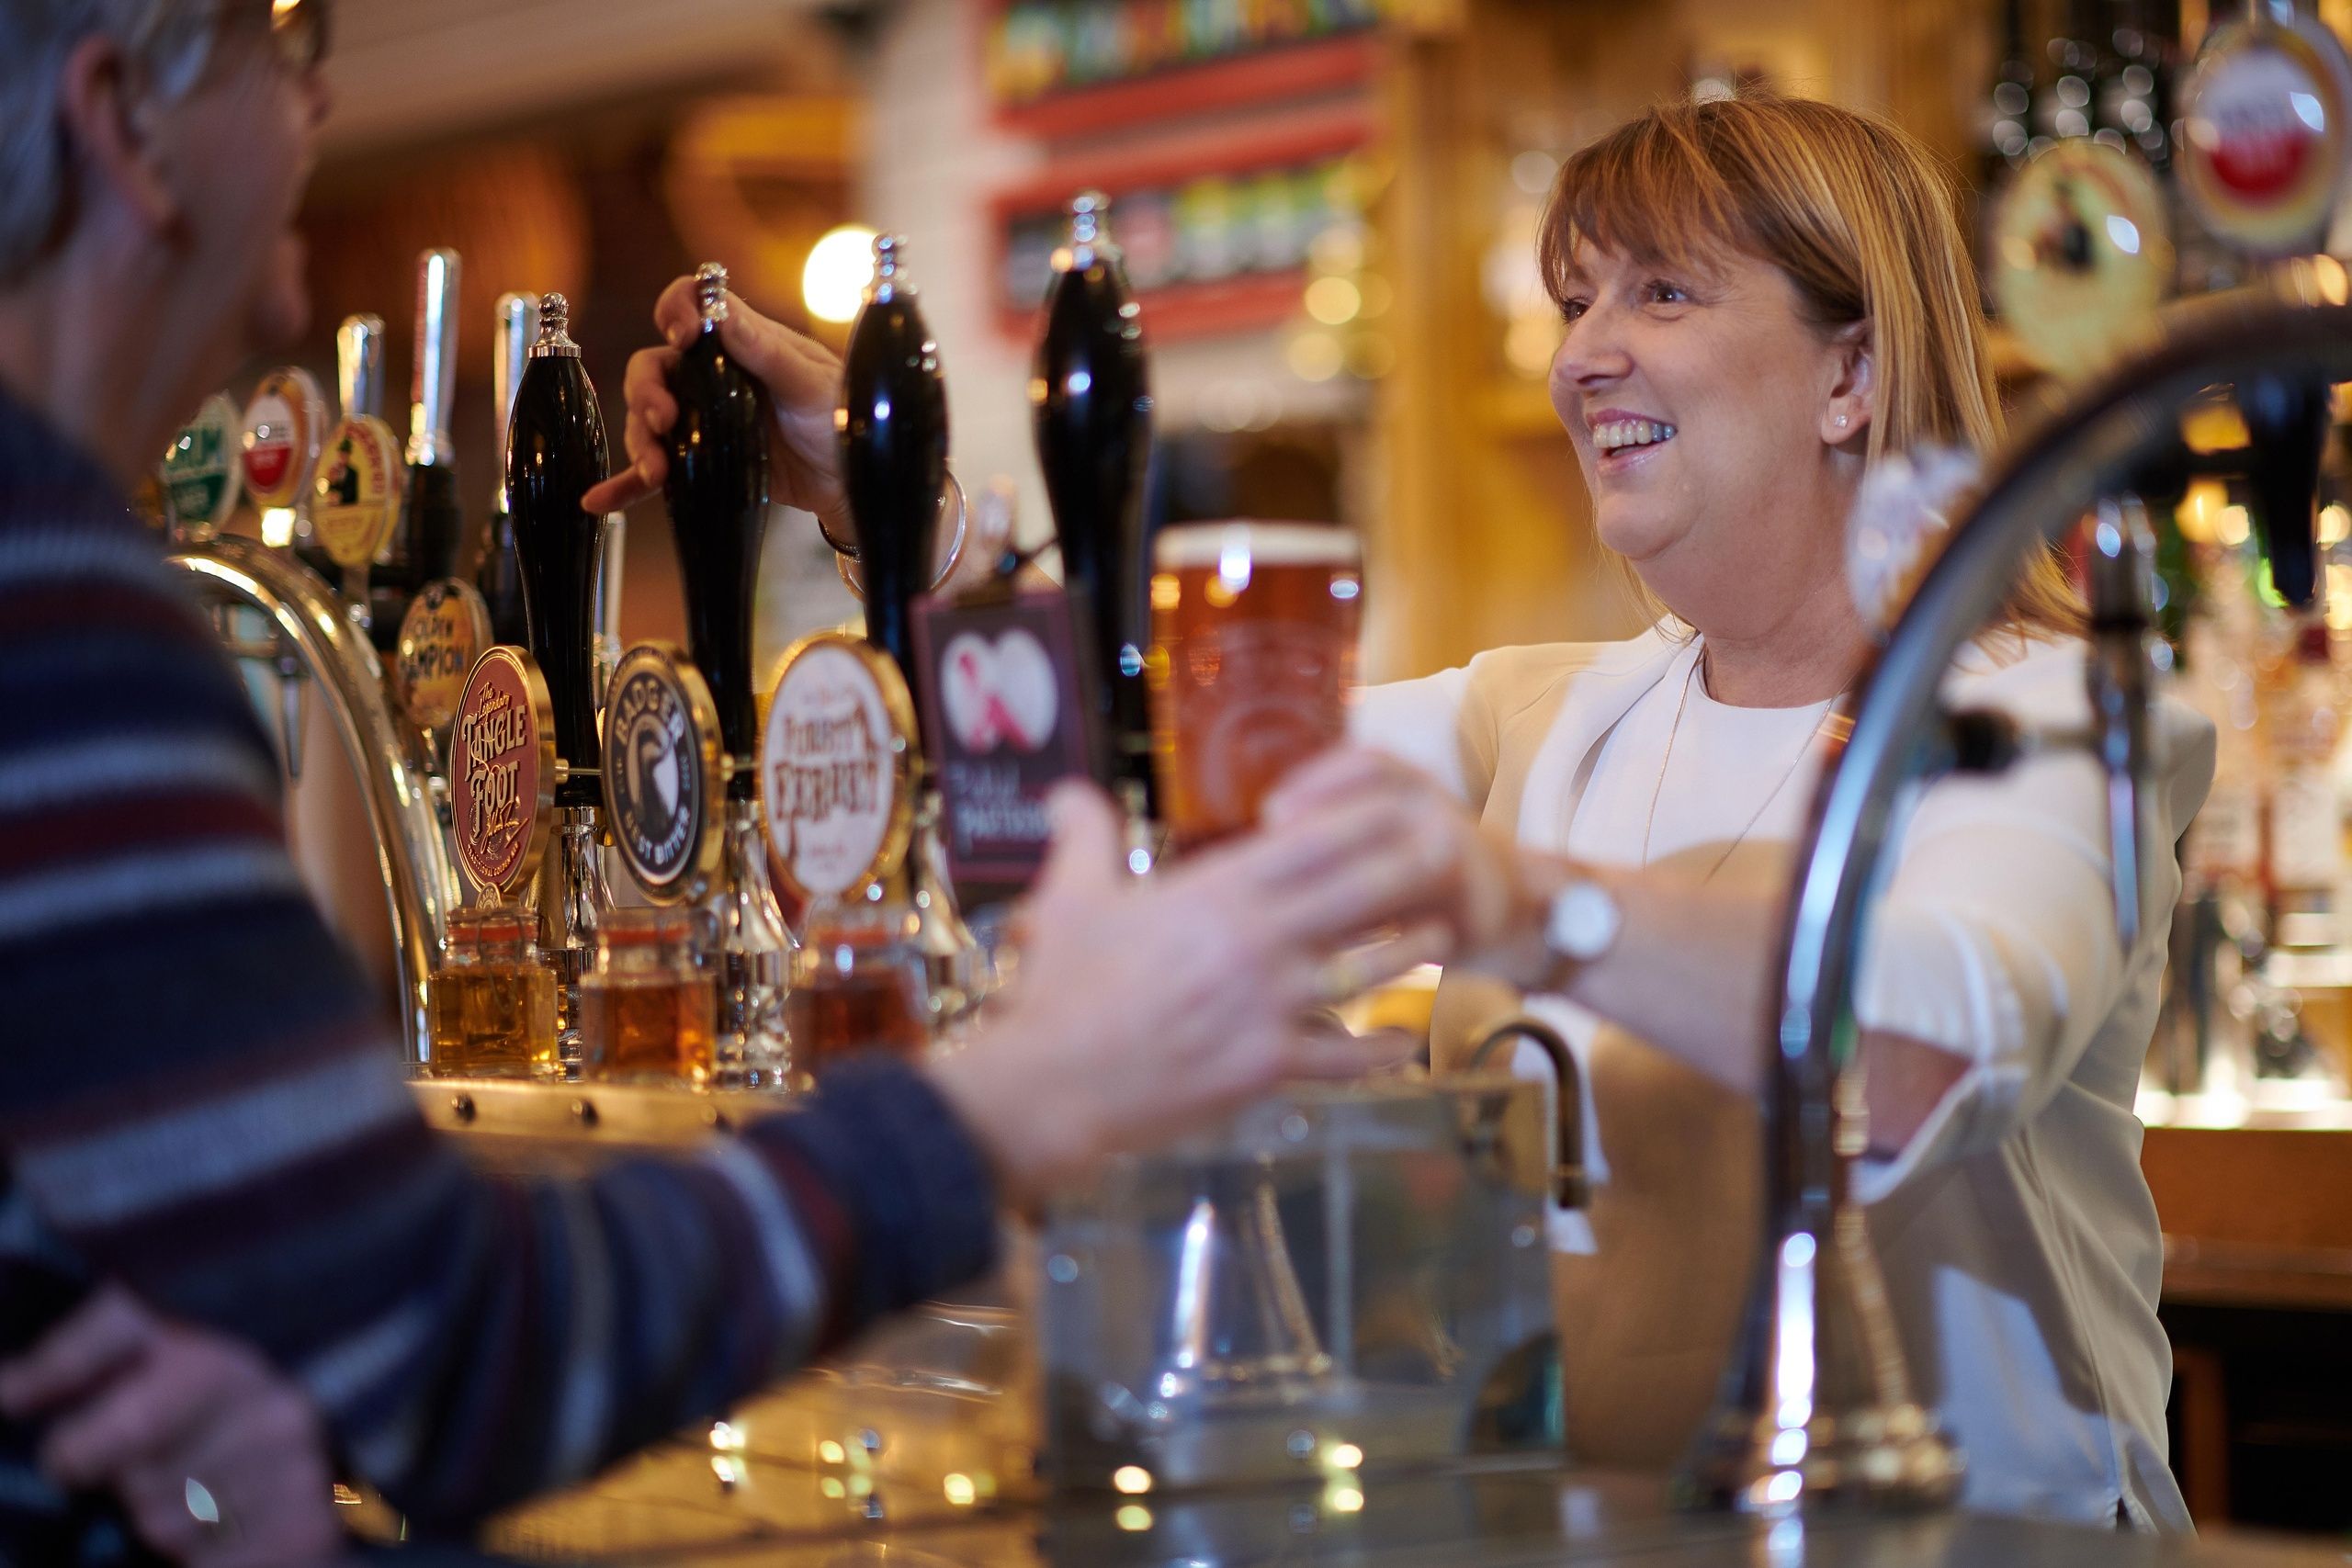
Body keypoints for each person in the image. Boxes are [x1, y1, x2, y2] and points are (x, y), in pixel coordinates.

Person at [0, 1, 1453, 1561]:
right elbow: (458, 1352)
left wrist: (904, 542)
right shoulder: (65, 639)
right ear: (123, 124)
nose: (323, 93)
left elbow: (341, 1345)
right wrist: (1006, 1107)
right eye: (280, 47)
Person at [1260, 95, 2211, 1530]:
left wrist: (1522, 907)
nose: (1585, 353)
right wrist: (910, 519)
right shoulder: (1535, 715)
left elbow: (1923, 1046)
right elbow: (1164, 781)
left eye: (1662, 291)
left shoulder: (2050, 720)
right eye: (1579, 300)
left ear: (1852, 378)